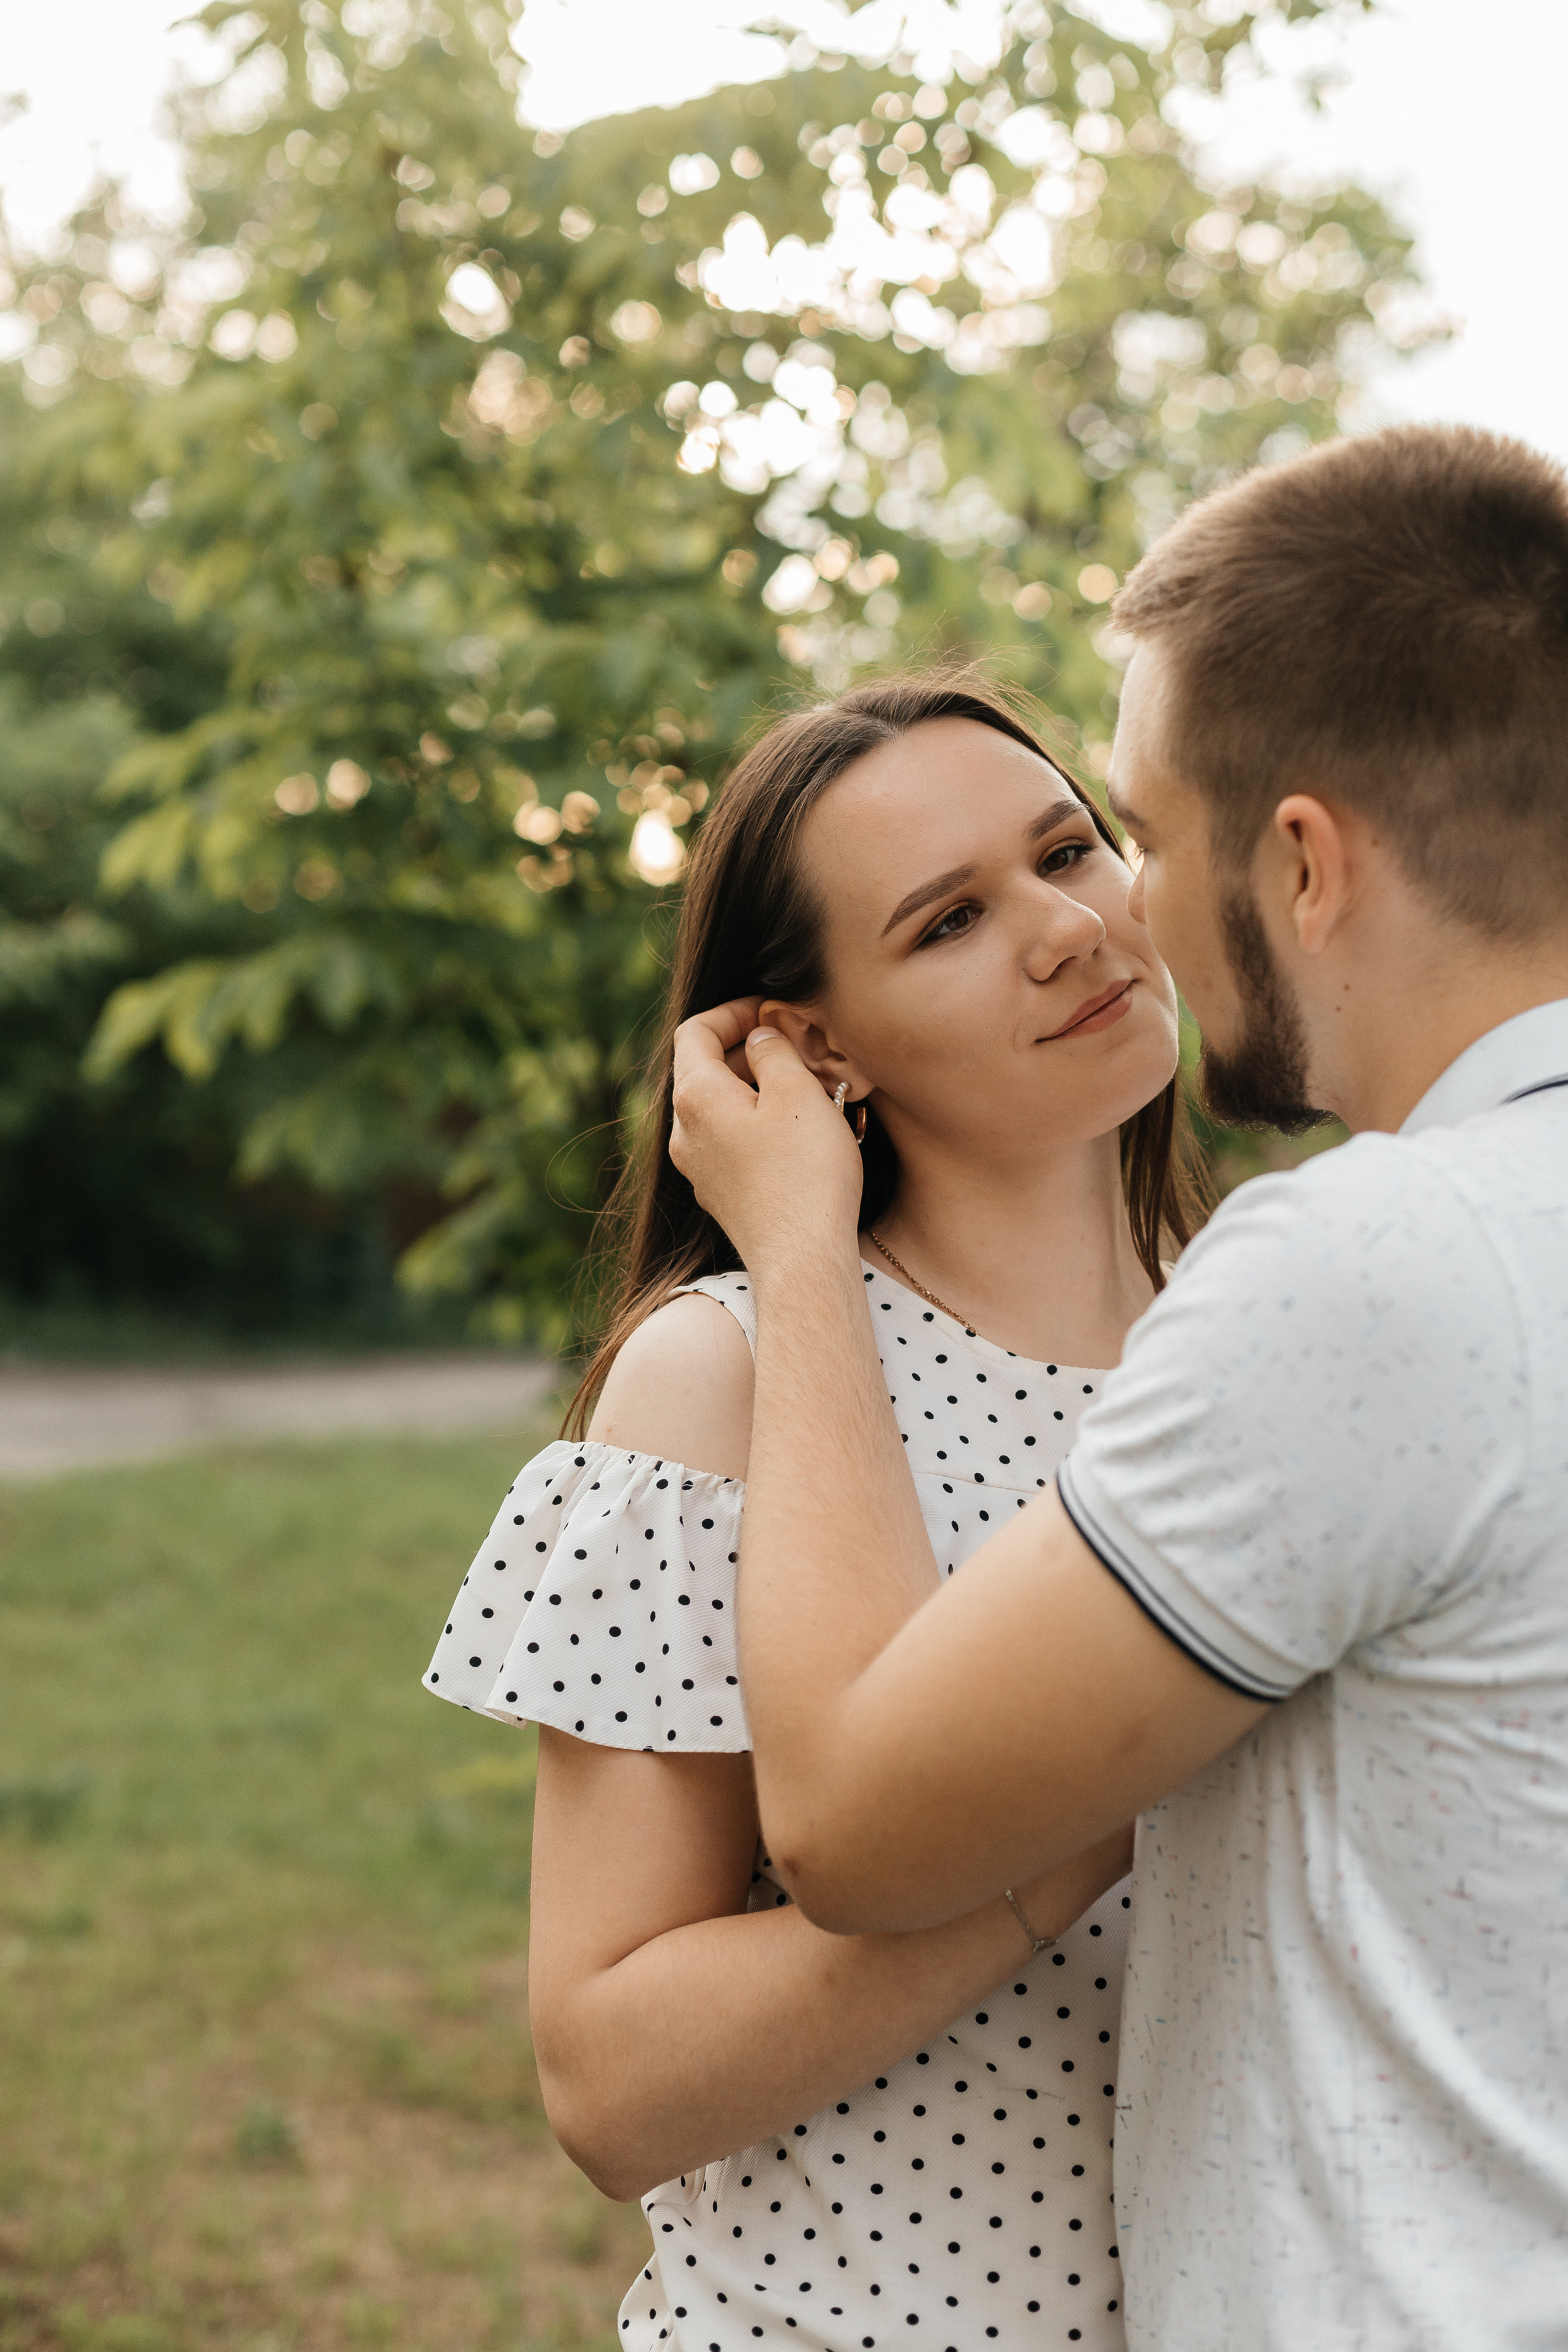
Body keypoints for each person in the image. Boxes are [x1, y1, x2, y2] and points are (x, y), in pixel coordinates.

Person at [667, 423, 1568, 2352]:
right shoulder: (703, 1380)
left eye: (1123, 835)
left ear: (1304, 861)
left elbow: (853, 1824)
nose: (1113, 918)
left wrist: (801, 1258)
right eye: (950, 913)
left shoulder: (1367, 1270)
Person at [422, 672, 1212, 2351]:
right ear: (812, 1041)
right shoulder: (717, 1378)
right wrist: (1111, 1787)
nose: (1068, 929)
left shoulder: (1276, 1334)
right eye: (947, 923)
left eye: (1071, 849)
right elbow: (613, 2084)